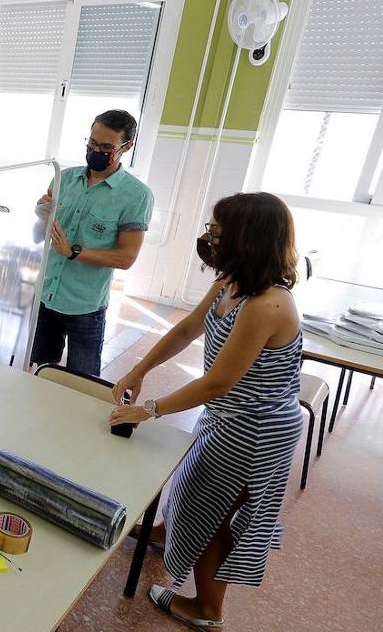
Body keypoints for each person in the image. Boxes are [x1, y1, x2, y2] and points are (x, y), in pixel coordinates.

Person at [108, 192, 303, 629]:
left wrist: (150, 409)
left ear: (246, 238)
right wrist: (140, 368)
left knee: (214, 512)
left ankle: (208, 609)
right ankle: (166, 534)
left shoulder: (266, 304)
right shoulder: (230, 284)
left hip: (255, 427)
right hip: (227, 414)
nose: (209, 236)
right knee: (191, 481)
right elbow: (186, 329)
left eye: (218, 230)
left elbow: (218, 381)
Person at [31, 109, 153, 376]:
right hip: (47, 295)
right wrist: (41, 215)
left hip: (84, 306)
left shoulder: (136, 196)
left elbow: (126, 258)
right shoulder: (64, 178)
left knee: (82, 384)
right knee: (36, 372)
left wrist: (73, 251)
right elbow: (38, 237)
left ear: (126, 147)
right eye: (92, 144)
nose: (97, 150)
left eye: (106, 147)